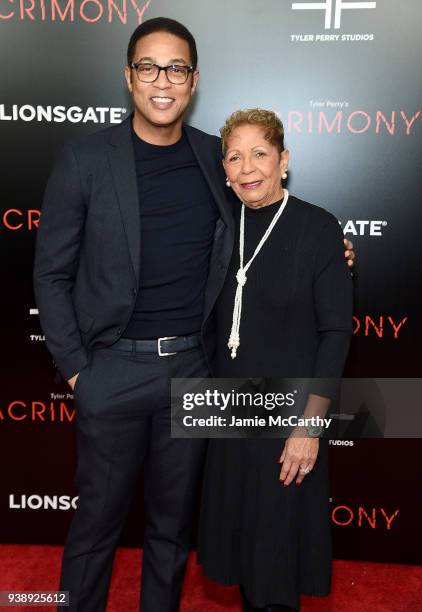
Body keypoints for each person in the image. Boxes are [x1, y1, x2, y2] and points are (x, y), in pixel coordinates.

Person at [33, 17, 354, 611]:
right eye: (149, 67)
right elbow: (50, 273)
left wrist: (331, 249)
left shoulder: (216, 157)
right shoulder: (84, 160)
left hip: (193, 373)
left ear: (194, 79)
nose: (163, 80)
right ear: (129, 77)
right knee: (94, 532)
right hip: (111, 372)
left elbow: (270, 217)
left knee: (170, 534)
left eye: (176, 68)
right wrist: (80, 371)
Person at [198, 109, 354, 612]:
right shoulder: (218, 224)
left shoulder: (318, 227)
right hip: (228, 414)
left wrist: (310, 427)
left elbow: (335, 333)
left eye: (260, 153)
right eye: (235, 156)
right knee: (244, 555)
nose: (248, 167)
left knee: (277, 560)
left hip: (289, 420)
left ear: (284, 160)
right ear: (223, 168)